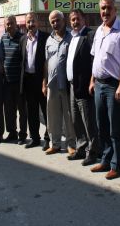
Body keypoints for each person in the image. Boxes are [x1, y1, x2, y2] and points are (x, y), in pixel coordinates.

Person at [89, 0, 120, 180]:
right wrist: (92, 80)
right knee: (102, 126)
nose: (105, 11)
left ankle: (117, 164)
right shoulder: (99, 30)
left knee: (115, 128)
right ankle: (105, 160)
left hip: (114, 86)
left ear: (115, 10)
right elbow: (95, 58)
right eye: (102, 8)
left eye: (108, 8)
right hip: (99, 84)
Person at [66, 9, 100, 165]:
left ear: (84, 19)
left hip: (85, 85)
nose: (75, 22)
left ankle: (93, 152)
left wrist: (92, 81)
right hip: (72, 86)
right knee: (76, 120)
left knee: (88, 121)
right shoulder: (72, 37)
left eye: (77, 19)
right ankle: (81, 148)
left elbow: (95, 60)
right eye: (72, 19)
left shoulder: (89, 35)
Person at [42, 10, 76, 155]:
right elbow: (46, 63)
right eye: (53, 22)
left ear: (64, 21)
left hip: (68, 84)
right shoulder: (49, 40)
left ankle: (71, 144)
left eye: (58, 20)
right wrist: (44, 83)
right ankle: (55, 144)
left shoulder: (72, 37)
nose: (55, 24)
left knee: (69, 116)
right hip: (52, 84)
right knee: (53, 116)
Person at [19, 12, 50, 150]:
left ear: (37, 22)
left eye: (32, 22)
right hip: (28, 81)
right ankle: (35, 138)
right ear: (25, 24)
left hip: (41, 80)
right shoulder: (23, 39)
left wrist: (45, 81)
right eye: (28, 22)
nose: (30, 25)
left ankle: (48, 139)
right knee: (31, 112)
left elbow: (48, 62)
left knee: (46, 111)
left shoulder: (45, 38)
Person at [1, 15, 27, 145]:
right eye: (7, 24)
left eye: (11, 23)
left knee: (22, 110)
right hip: (7, 82)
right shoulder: (3, 38)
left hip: (19, 82)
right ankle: (12, 133)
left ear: (16, 24)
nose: (9, 26)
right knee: (9, 110)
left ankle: (22, 135)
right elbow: (2, 58)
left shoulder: (23, 38)